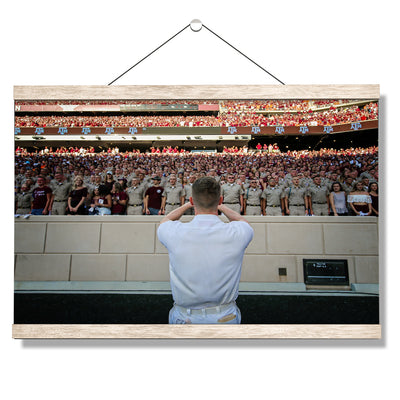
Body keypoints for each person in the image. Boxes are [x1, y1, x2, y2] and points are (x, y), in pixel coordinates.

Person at [157, 177, 254, 324]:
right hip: (224, 318)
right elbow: (243, 222)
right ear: (220, 200)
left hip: (185, 318)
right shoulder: (236, 232)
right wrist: (220, 206)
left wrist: (187, 205)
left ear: (192, 199)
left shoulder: (174, 231)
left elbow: (164, 221)